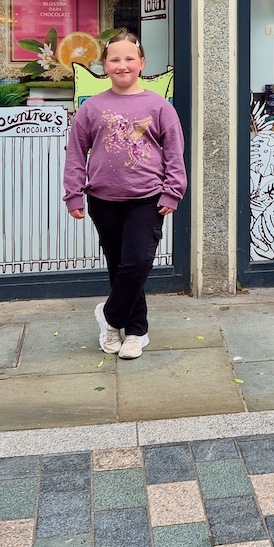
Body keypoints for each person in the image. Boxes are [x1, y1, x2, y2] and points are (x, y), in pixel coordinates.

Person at [63, 30, 187, 360]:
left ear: (142, 63)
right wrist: (73, 194)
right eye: (115, 59)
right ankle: (135, 332)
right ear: (104, 65)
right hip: (103, 200)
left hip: (147, 198)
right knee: (119, 266)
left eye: (129, 58)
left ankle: (109, 316)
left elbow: (175, 151)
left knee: (137, 263)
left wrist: (173, 192)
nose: (122, 65)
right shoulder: (91, 109)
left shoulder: (159, 106)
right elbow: (76, 152)